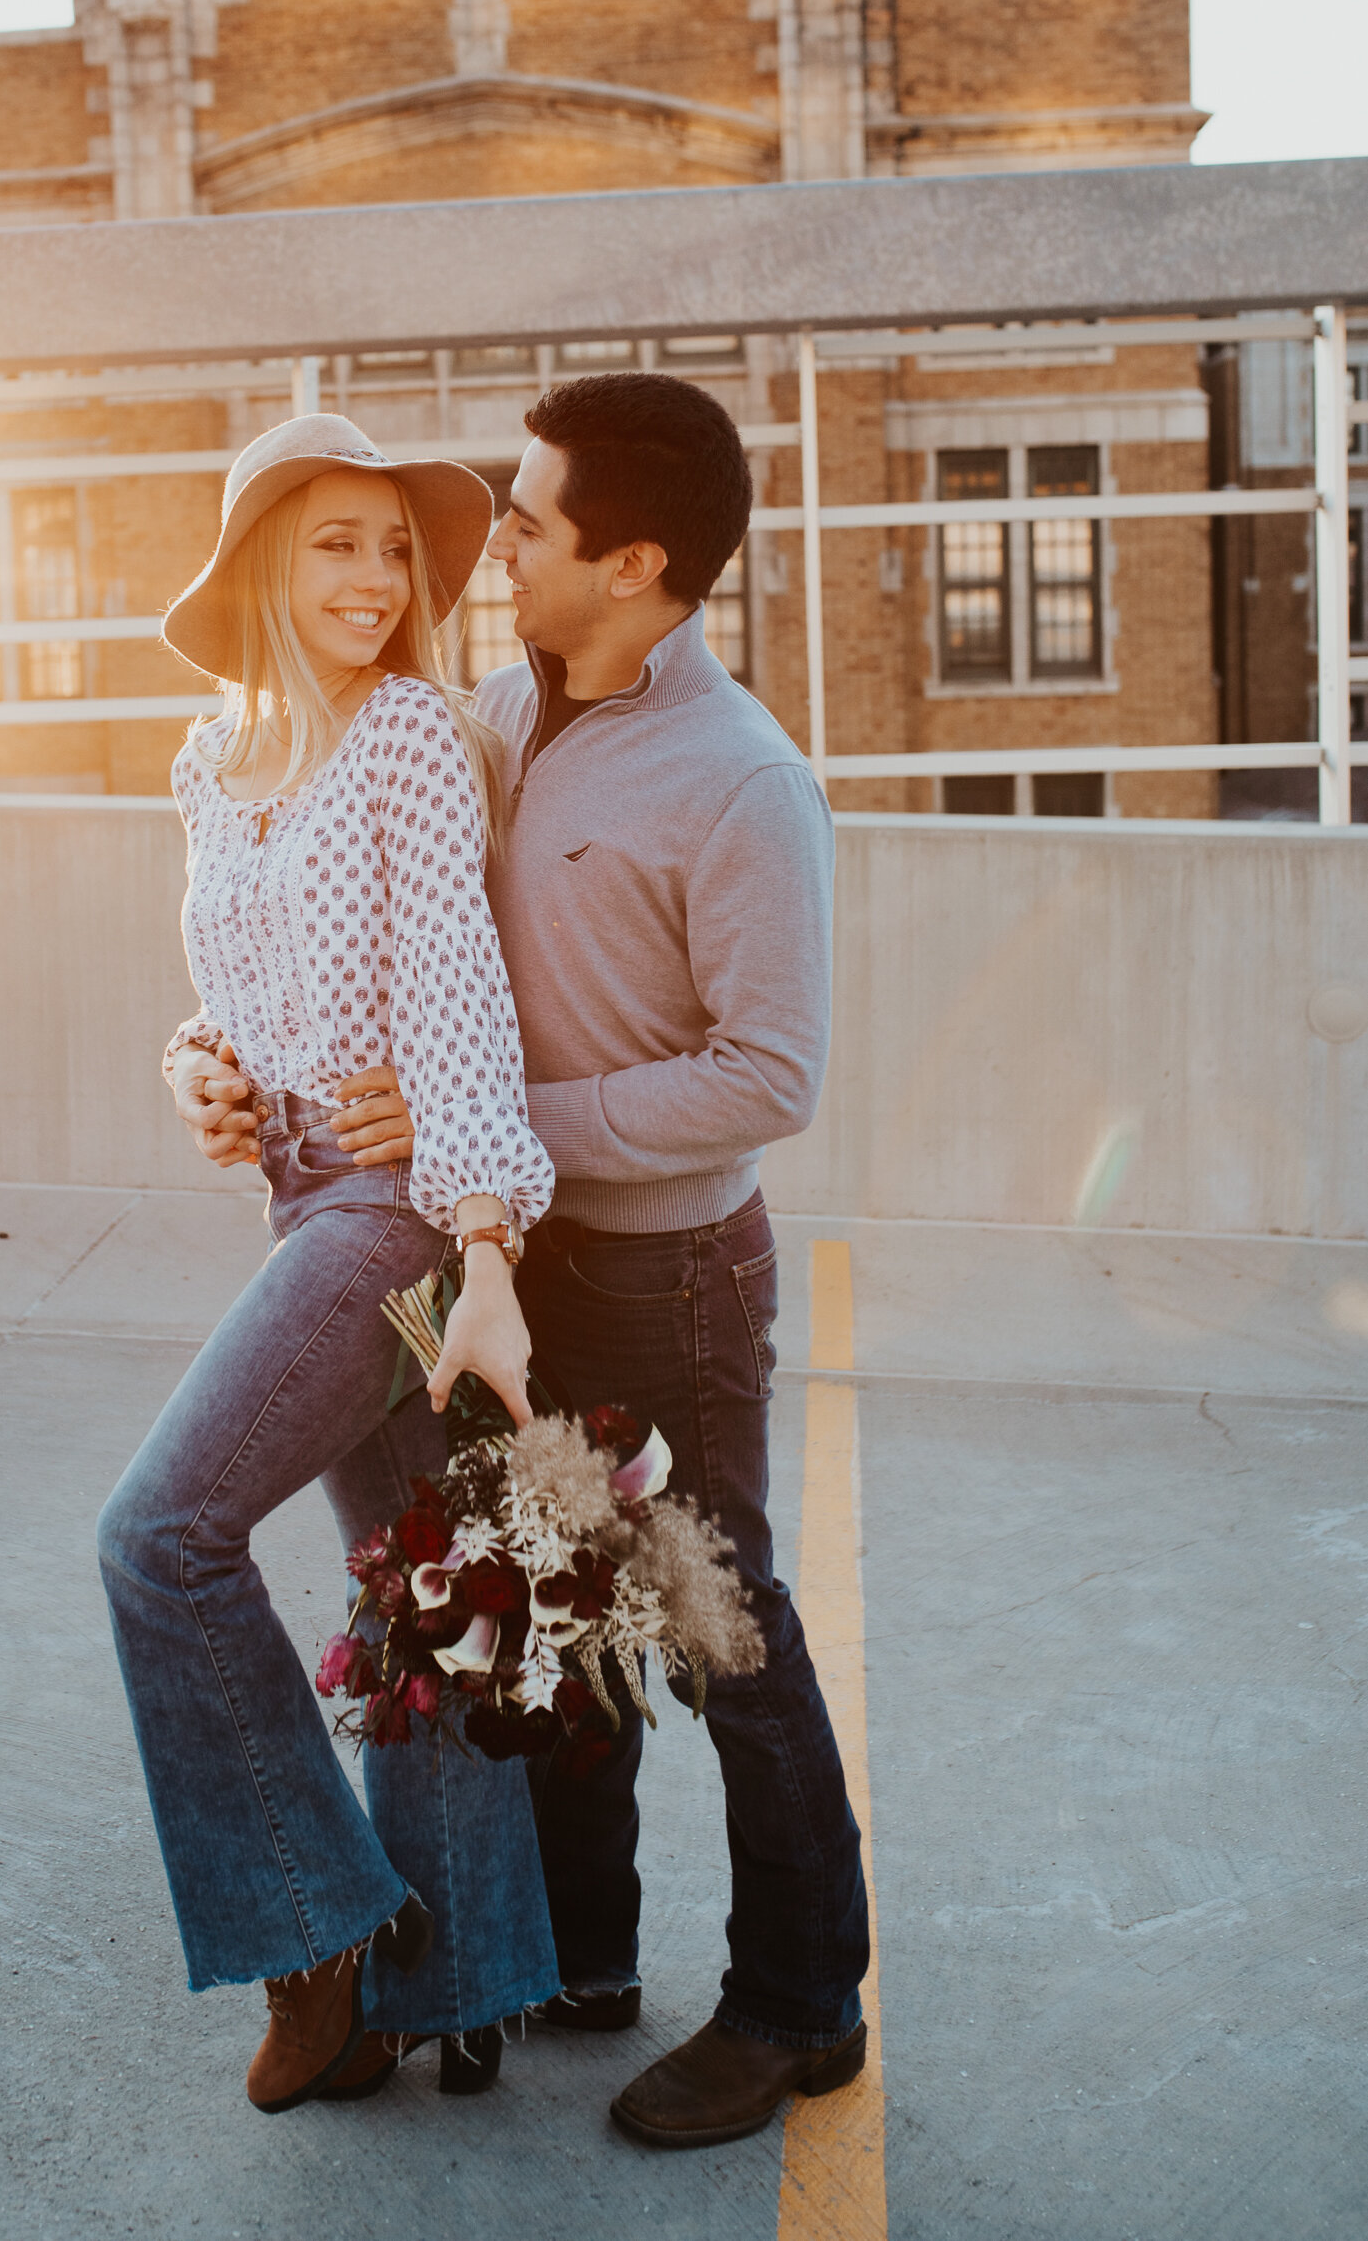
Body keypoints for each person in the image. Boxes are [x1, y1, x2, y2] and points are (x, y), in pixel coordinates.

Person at [175, 371, 870, 2151]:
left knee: (721, 1631)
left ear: (633, 563)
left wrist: (496, 1127)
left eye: (535, 521)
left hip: (669, 1272)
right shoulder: (493, 708)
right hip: (506, 1256)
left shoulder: (744, 782)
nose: (499, 542)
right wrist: (218, 1051)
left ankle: (801, 2001)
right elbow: (352, 920)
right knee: (547, 1613)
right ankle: (581, 1953)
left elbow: (767, 1074)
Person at [100, 412, 558, 2118]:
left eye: (396, 547)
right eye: (335, 545)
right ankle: (468, 1971)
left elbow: (453, 990)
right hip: (297, 1187)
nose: (377, 579)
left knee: (157, 1537)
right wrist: (196, 1065)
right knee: (418, 1580)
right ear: (258, 568)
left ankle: (318, 1943)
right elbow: (242, 975)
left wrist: (488, 1244)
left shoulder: (412, 744)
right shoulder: (210, 764)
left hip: (400, 1204)